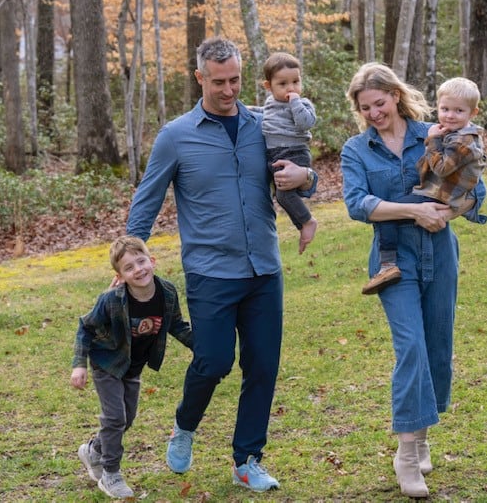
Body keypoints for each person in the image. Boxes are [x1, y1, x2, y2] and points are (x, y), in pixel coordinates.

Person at [125, 37, 317, 493]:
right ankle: (184, 426)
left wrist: (305, 177)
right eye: (219, 82)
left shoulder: (264, 124)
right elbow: (147, 200)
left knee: (263, 366)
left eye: (234, 80)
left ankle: (247, 459)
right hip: (211, 271)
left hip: (264, 270)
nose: (229, 90)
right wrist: (130, 255)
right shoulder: (176, 136)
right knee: (212, 362)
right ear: (199, 78)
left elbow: (302, 178)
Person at [340, 63, 487, 498]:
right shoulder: (356, 149)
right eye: (365, 108)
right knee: (411, 349)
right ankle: (406, 455)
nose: (374, 113)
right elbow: (357, 203)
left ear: (396, 96)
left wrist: (448, 211)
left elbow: (475, 188)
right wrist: (413, 210)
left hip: (439, 252)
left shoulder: (438, 130)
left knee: (438, 348)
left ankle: (422, 435)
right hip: (392, 259)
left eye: (380, 103)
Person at [70, 235, 193, 499]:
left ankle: (94, 450)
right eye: (129, 267)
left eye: (141, 261)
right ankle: (110, 474)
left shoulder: (167, 292)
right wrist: (79, 365)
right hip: (107, 364)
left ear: (152, 261)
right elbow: (85, 327)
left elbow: (177, 326)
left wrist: (204, 348)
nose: (138, 269)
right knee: (115, 418)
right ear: (120, 275)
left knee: (127, 418)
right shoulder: (112, 299)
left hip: (133, 367)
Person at [361, 76, 487, 295]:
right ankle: (389, 265)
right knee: (390, 210)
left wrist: (432, 141)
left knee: (387, 211)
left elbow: (441, 169)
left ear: (473, 113)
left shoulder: (461, 141)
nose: (450, 115)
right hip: (439, 193)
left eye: (459, 111)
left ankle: (388, 265)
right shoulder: (455, 133)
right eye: (445, 108)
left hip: (440, 195)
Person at [262, 51, 318, 254]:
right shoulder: (270, 104)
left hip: (295, 153)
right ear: (268, 86)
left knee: (285, 195)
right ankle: (303, 225)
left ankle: (308, 222)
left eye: (296, 81)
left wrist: (295, 101)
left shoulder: (302, 104)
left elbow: (306, 123)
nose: (291, 88)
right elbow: (264, 117)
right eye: (283, 84)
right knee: (282, 196)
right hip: (276, 154)